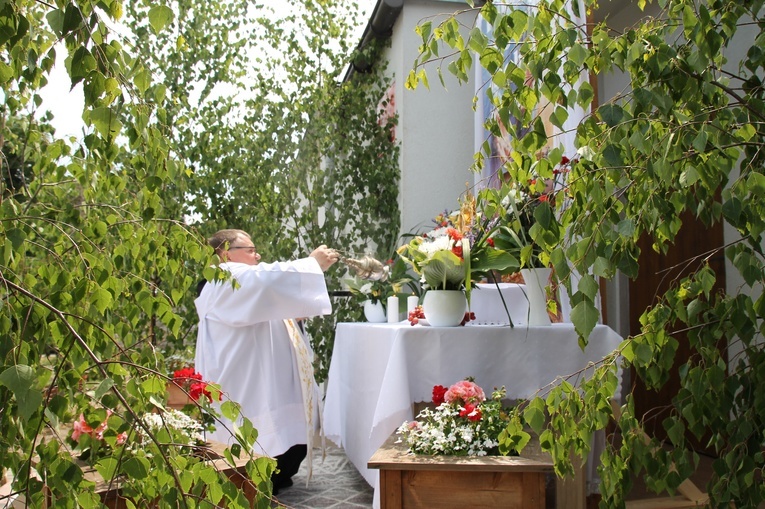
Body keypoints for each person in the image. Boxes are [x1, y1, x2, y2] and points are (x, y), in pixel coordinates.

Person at [193, 229, 339, 494]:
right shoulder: (224, 278)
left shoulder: (240, 282)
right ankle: (249, 483)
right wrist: (311, 264)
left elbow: (267, 301)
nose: (257, 255)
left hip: (266, 378)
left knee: (283, 443)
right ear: (225, 253)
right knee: (253, 439)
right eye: (250, 250)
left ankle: (276, 476)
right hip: (243, 378)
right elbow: (268, 281)